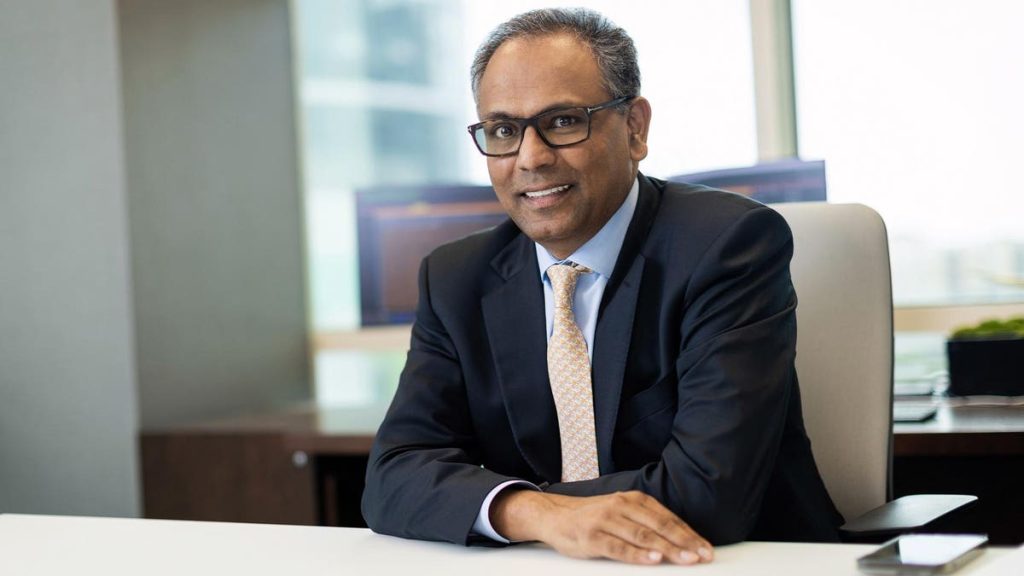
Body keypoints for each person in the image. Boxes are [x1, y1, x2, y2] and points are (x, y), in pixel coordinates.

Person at [361, 7, 842, 565]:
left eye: (564, 121)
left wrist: (503, 504)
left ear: (635, 128)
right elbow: (392, 477)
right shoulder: (456, 277)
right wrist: (535, 514)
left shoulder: (727, 246)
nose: (531, 158)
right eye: (503, 131)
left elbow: (711, 490)